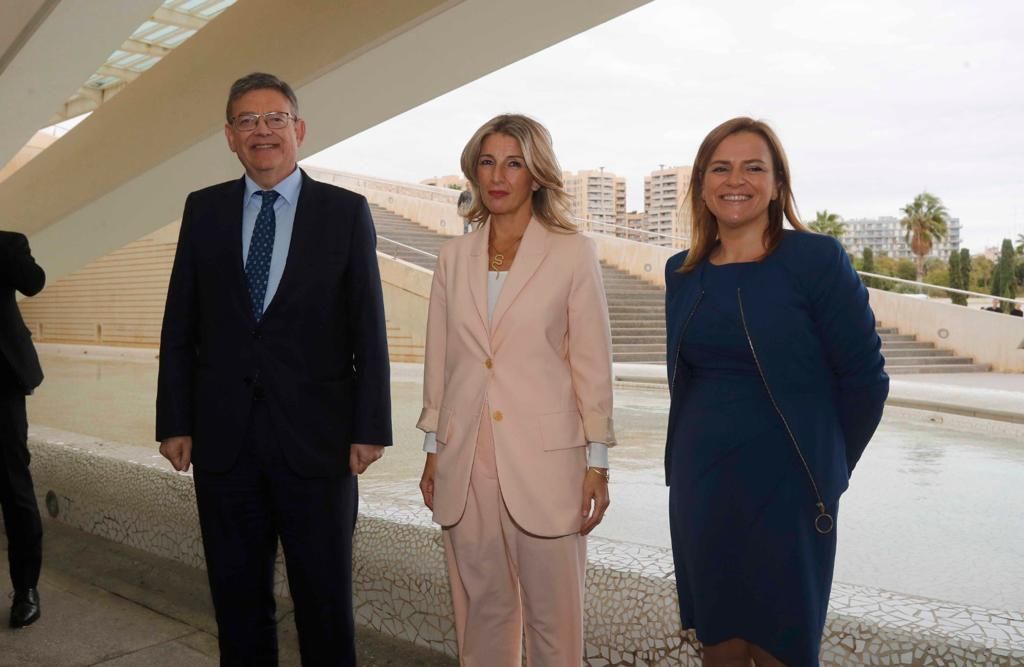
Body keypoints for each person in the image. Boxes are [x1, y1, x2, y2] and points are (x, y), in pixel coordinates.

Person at [156, 72, 392, 665]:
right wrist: (174, 420)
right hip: (223, 443)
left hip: (319, 443)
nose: (262, 131)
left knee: (326, 602)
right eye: (247, 121)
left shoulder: (344, 213)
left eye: (275, 119)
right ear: (230, 137)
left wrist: (371, 426)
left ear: (299, 129)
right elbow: (181, 325)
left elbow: (369, 326)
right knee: (236, 604)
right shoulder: (203, 210)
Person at [664, 117, 889, 666]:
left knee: (783, 648)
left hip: (790, 491)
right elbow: (685, 382)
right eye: (720, 167)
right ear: (701, 183)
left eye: (753, 167)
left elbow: (865, 381)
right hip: (702, 489)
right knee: (718, 644)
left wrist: (826, 468)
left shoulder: (816, 259)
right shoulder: (681, 272)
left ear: (777, 182)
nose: (735, 179)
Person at [417, 114, 615, 665]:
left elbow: (592, 365)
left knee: (555, 622)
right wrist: (433, 451)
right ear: (473, 172)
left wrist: (597, 462)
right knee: (482, 613)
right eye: (487, 162)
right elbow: (443, 362)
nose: (498, 175)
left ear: (537, 174)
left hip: (549, 463)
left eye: (514, 162)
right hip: (465, 457)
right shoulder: (453, 258)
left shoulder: (573, 252)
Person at [0, 231, 45, 629]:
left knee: (14, 488)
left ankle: (26, 587)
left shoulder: (8, 243)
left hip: (2, 385)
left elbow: (33, 282)